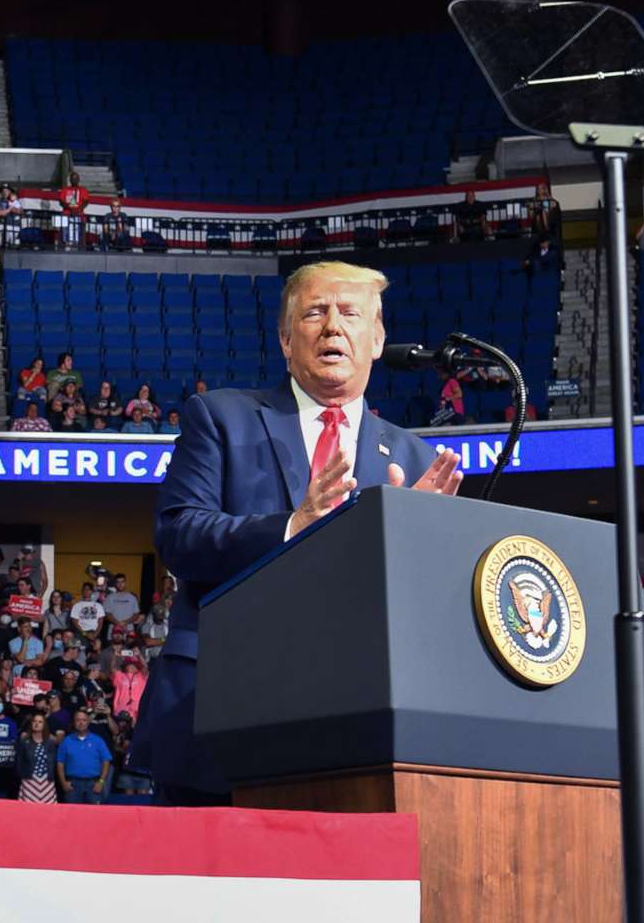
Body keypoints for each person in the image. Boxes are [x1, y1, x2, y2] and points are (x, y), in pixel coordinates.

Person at [137, 261, 461, 800]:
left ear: (377, 339)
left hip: (359, 720)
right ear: (287, 340)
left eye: (351, 313)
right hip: (220, 708)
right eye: (315, 312)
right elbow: (179, 534)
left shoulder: (415, 457)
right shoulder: (220, 417)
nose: (333, 326)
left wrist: (416, 541)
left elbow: (425, 611)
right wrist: (293, 526)